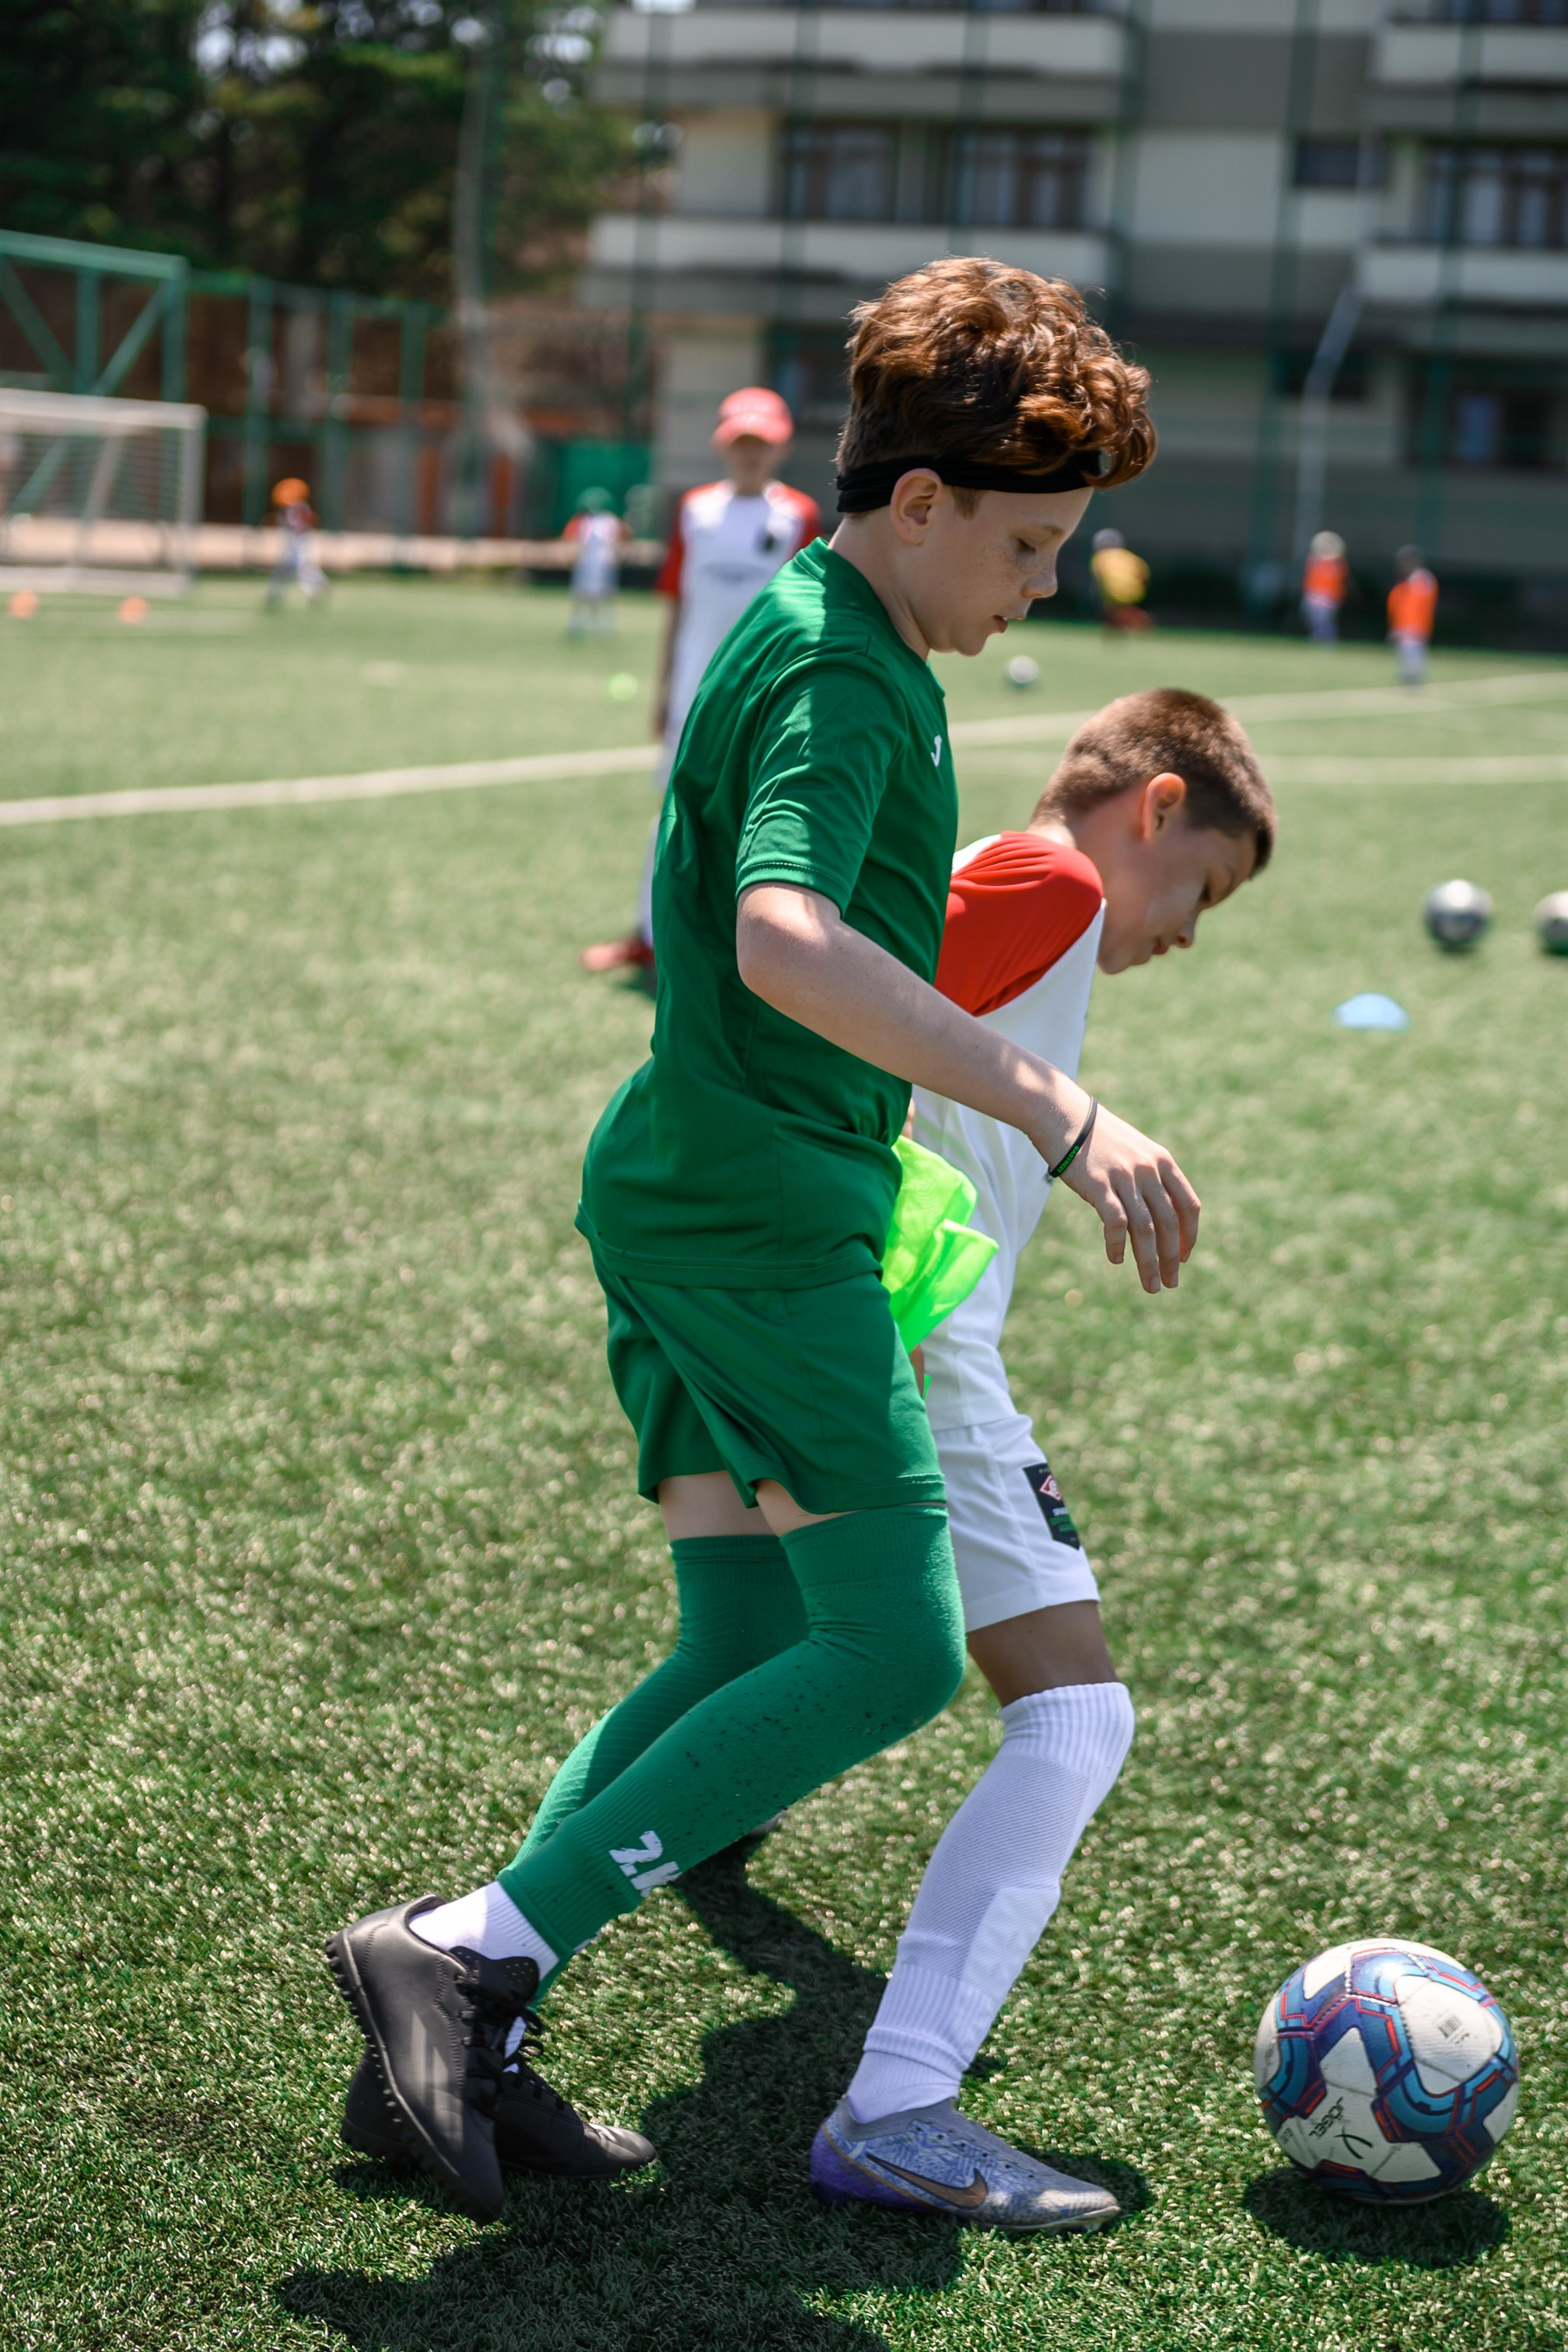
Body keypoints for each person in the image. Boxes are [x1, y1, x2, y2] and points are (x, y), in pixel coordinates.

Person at [325, 256, 1193, 2231]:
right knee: (884, 1646)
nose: (1041, 587)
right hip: (756, 1212)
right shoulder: (837, 664)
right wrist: (1059, 1114)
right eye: (1031, 545)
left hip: (689, 1184)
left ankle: (474, 2033)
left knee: (738, 1635)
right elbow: (784, 935)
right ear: (918, 506)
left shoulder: (835, 630)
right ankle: (471, 1953)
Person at [813, 687, 1274, 2225]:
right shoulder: (1054, 878)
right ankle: (900, 2103)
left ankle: (496, 1952)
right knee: (1077, 1718)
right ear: (1155, 811)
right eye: (1201, 888)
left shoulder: (1053, 904)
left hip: (848, 1333)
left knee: (761, 1653)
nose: (1190, 933)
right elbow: (822, 1004)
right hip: (918, 1349)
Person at [581, 388, 821, 978]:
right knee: (674, 814)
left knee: (754, 820)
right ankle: (648, 935)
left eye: (762, 443)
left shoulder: (800, 515)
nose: (750, 454)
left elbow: (808, 613)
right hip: (693, 693)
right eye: (741, 442)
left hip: (764, 698)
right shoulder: (694, 510)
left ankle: (734, 951)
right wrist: (665, 690)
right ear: (722, 444)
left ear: (781, 447)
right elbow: (677, 605)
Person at [565, 486, 626, 636]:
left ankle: (602, 625)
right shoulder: (585, 521)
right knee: (582, 594)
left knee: (602, 595)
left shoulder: (610, 522)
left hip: (602, 562)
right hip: (588, 562)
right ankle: (578, 624)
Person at [264, 476, 326, 607]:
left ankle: (319, 585)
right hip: (293, 542)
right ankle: (275, 595)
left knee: (300, 568)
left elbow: (298, 525)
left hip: (298, 542)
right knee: (287, 570)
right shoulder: (294, 508)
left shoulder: (298, 508)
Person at [1388, 545, 1437, 686]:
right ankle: (1408, 681)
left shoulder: (1422, 579)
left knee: (1413, 655)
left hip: (1415, 626)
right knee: (1405, 655)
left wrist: (1412, 626)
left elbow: (1417, 606)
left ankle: (1414, 682)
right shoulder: (1407, 581)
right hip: (1404, 626)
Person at [1089, 527, 1150, 634]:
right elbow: (1143, 574)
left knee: (1111, 611)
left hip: (1113, 592)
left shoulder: (1100, 558)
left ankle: (1137, 622)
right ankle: (1135, 620)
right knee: (1124, 609)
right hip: (1135, 590)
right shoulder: (1129, 556)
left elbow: (1099, 577)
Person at [1300, 530, 1348, 645]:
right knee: (1310, 618)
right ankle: (1319, 638)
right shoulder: (1314, 561)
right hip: (1312, 596)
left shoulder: (1337, 564)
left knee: (1324, 622)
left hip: (1328, 599)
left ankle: (1325, 641)